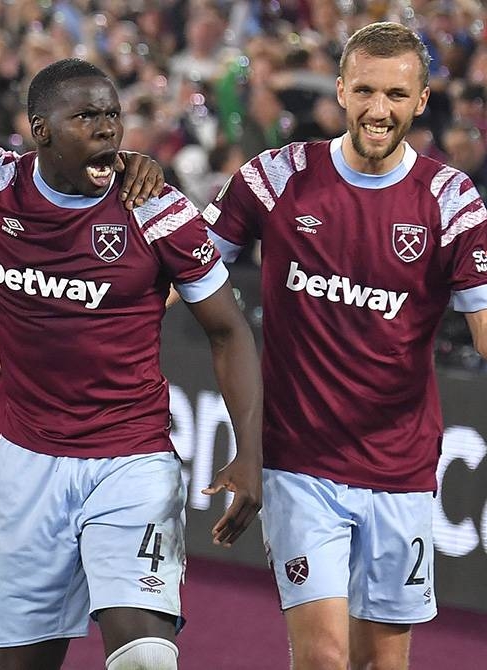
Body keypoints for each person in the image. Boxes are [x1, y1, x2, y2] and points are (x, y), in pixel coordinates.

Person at [0, 58, 263, 670]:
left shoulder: (159, 212)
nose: (106, 130)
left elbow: (229, 331)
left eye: (111, 116)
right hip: (24, 463)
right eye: (85, 117)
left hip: (130, 462)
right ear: (40, 129)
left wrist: (251, 450)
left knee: (146, 659)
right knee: (3, 661)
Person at [202, 21, 487, 670]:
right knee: (325, 658)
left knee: (382, 662)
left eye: (395, 94)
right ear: (339, 90)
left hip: (401, 469)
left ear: (421, 101)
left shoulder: (451, 200)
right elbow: (182, 276)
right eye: (363, 90)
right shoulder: (275, 178)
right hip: (300, 463)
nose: (378, 110)